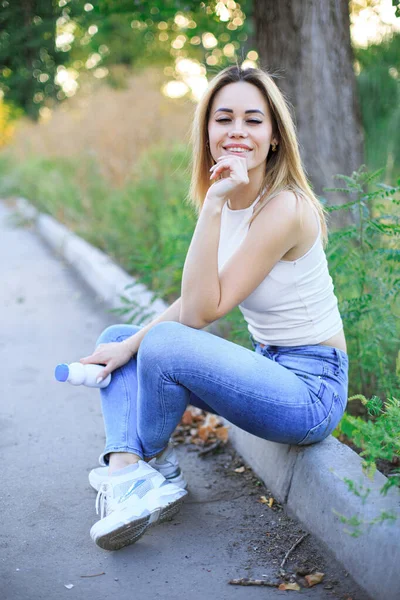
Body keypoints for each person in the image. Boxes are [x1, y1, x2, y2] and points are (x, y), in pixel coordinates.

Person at [80, 64, 349, 551]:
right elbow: (194, 300)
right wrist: (128, 347)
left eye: (253, 120)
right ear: (207, 132)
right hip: (270, 370)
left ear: (273, 138)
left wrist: (212, 207)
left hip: (311, 393)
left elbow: (203, 314)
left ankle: (146, 467)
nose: (237, 131)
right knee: (120, 337)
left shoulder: (284, 208)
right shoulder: (233, 198)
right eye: (224, 119)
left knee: (161, 340)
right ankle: (130, 468)